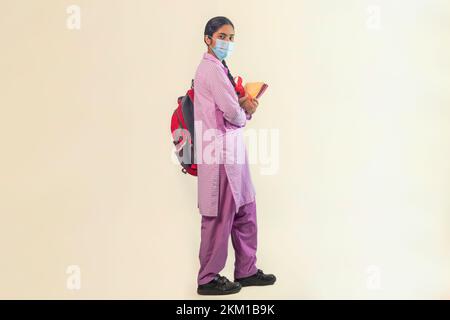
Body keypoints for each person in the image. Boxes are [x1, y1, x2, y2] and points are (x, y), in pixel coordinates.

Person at [193, 16, 276, 295]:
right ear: (208, 39)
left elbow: (228, 106)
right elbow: (232, 114)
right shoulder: (210, 70)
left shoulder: (220, 67)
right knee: (219, 216)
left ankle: (247, 269)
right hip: (219, 154)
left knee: (246, 209)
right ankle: (207, 278)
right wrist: (247, 110)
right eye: (222, 37)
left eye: (231, 38)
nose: (227, 42)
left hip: (233, 152)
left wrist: (242, 105)